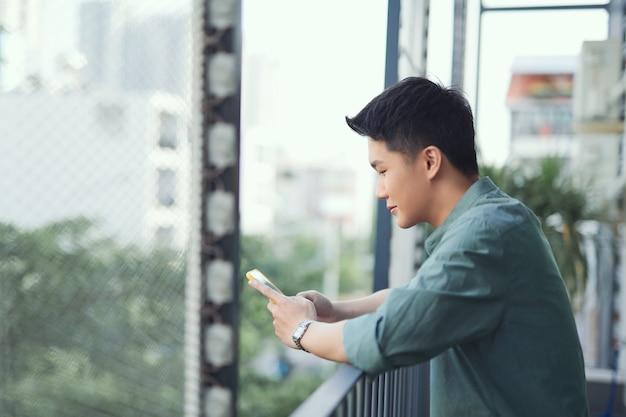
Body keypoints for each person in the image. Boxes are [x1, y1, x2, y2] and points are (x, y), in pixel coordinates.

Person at [248, 76, 589, 416]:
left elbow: (391, 335)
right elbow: (422, 296)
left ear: (429, 162)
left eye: (383, 170)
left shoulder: (486, 235)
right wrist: (338, 310)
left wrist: (302, 330)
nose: (380, 190)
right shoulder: (490, 222)